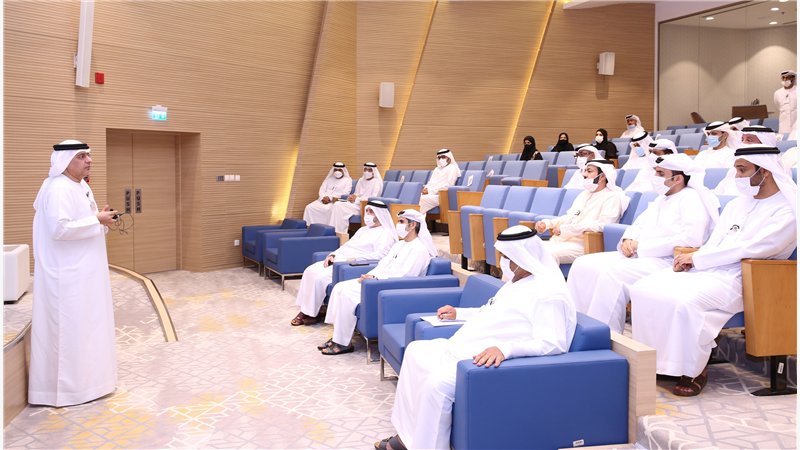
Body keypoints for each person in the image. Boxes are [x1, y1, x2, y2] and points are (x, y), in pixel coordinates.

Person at [377, 226, 576, 450]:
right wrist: (459, 313)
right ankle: (407, 436)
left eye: (507, 257)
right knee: (415, 351)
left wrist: (506, 350)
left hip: (486, 361)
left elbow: (553, 343)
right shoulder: (517, 283)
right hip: (464, 349)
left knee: (436, 384)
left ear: (523, 257)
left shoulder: (547, 293)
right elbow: (490, 310)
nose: (502, 262)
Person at [630, 145, 796, 397]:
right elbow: (715, 242)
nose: (736, 177)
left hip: (747, 278)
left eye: (742, 170)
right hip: (709, 267)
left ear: (765, 171)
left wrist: (699, 258)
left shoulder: (788, 209)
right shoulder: (737, 205)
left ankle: (694, 370)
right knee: (643, 288)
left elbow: (757, 249)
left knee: (685, 300)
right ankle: (662, 363)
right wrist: (695, 258)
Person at [568, 154, 718, 333]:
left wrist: (641, 247)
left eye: (660, 173)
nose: (655, 177)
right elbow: (638, 224)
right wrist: (628, 239)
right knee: (583, 264)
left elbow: (690, 239)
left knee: (611, 273)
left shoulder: (691, 198)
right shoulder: (662, 198)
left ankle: (602, 334)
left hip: (667, 260)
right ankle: (577, 325)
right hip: (640, 255)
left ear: (677, 178)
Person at [29, 140, 119, 407]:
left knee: (88, 327)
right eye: (81, 156)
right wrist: (96, 220)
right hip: (67, 275)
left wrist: (100, 218)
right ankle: (67, 391)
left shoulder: (79, 185)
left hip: (85, 271)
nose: (89, 160)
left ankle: (91, 383)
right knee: (70, 330)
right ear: (65, 161)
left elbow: (82, 220)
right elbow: (59, 229)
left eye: (88, 155)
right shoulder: (58, 188)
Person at [319, 209, 436, 355]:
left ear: (413, 225)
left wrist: (375, 280)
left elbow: (406, 278)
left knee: (347, 293)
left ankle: (344, 342)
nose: (397, 225)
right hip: (376, 281)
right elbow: (382, 264)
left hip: (389, 288)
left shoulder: (419, 250)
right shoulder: (399, 245)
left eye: (401, 222)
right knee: (339, 287)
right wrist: (368, 276)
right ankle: (338, 336)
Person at [293, 201, 398, 326]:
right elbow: (347, 245)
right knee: (310, 270)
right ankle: (312, 309)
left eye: (371, 212)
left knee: (320, 277)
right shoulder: (363, 230)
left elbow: (381, 255)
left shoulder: (385, 234)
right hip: (340, 259)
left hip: (351, 265)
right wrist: (333, 255)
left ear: (380, 214)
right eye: (367, 211)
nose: (367, 214)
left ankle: (308, 313)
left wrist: (357, 259)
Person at [535, 160, 629, 265]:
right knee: (532, 248)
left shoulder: (612, 197)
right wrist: (547, 224)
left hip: (585, 243)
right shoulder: (584, 194)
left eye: (589, 171)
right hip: (564, 240)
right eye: (585, 171)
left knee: (548, 254)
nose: (584, 175)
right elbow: (569, 217)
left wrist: (567, 229)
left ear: (602, 176)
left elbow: (603, 225)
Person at [714, 126, 780, 195]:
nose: (743, 143)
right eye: (742, 140)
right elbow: (718, 192)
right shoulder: (736, 168)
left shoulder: (776, 171)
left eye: (749, 140)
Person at [327, 162, 383, 233]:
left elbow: (373, 198)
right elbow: (357, 193)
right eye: (365, 169)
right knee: (336, 204)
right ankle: (334, 231)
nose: (367, 172)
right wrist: (351, 197)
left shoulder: (376, 182)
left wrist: (357, 199)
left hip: (364, 206)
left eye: (369, 170)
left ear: (373, 171)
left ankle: (340, 232)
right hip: (355, 204)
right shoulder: (361, 180)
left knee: (338, 206)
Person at [419, 149, 461, 214]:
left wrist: (430, 191)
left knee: (421, 199)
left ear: (449, 158)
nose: (441, 159)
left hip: (441, 195)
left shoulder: (452, 168)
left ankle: (416, 219)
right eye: (439, 157)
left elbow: (449, 185)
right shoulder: (436, 169)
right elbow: (430, 182)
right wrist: (426, 189)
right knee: (416, 197)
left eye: (443, 157)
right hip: (432, 194)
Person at [774, 70, 797, 139]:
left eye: (787, 77)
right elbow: (778, 107)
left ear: (793, 79)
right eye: (783, 78)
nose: (785, 80)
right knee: (785, 141)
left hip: (796, 122)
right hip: (784, 123)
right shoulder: (777, 93)